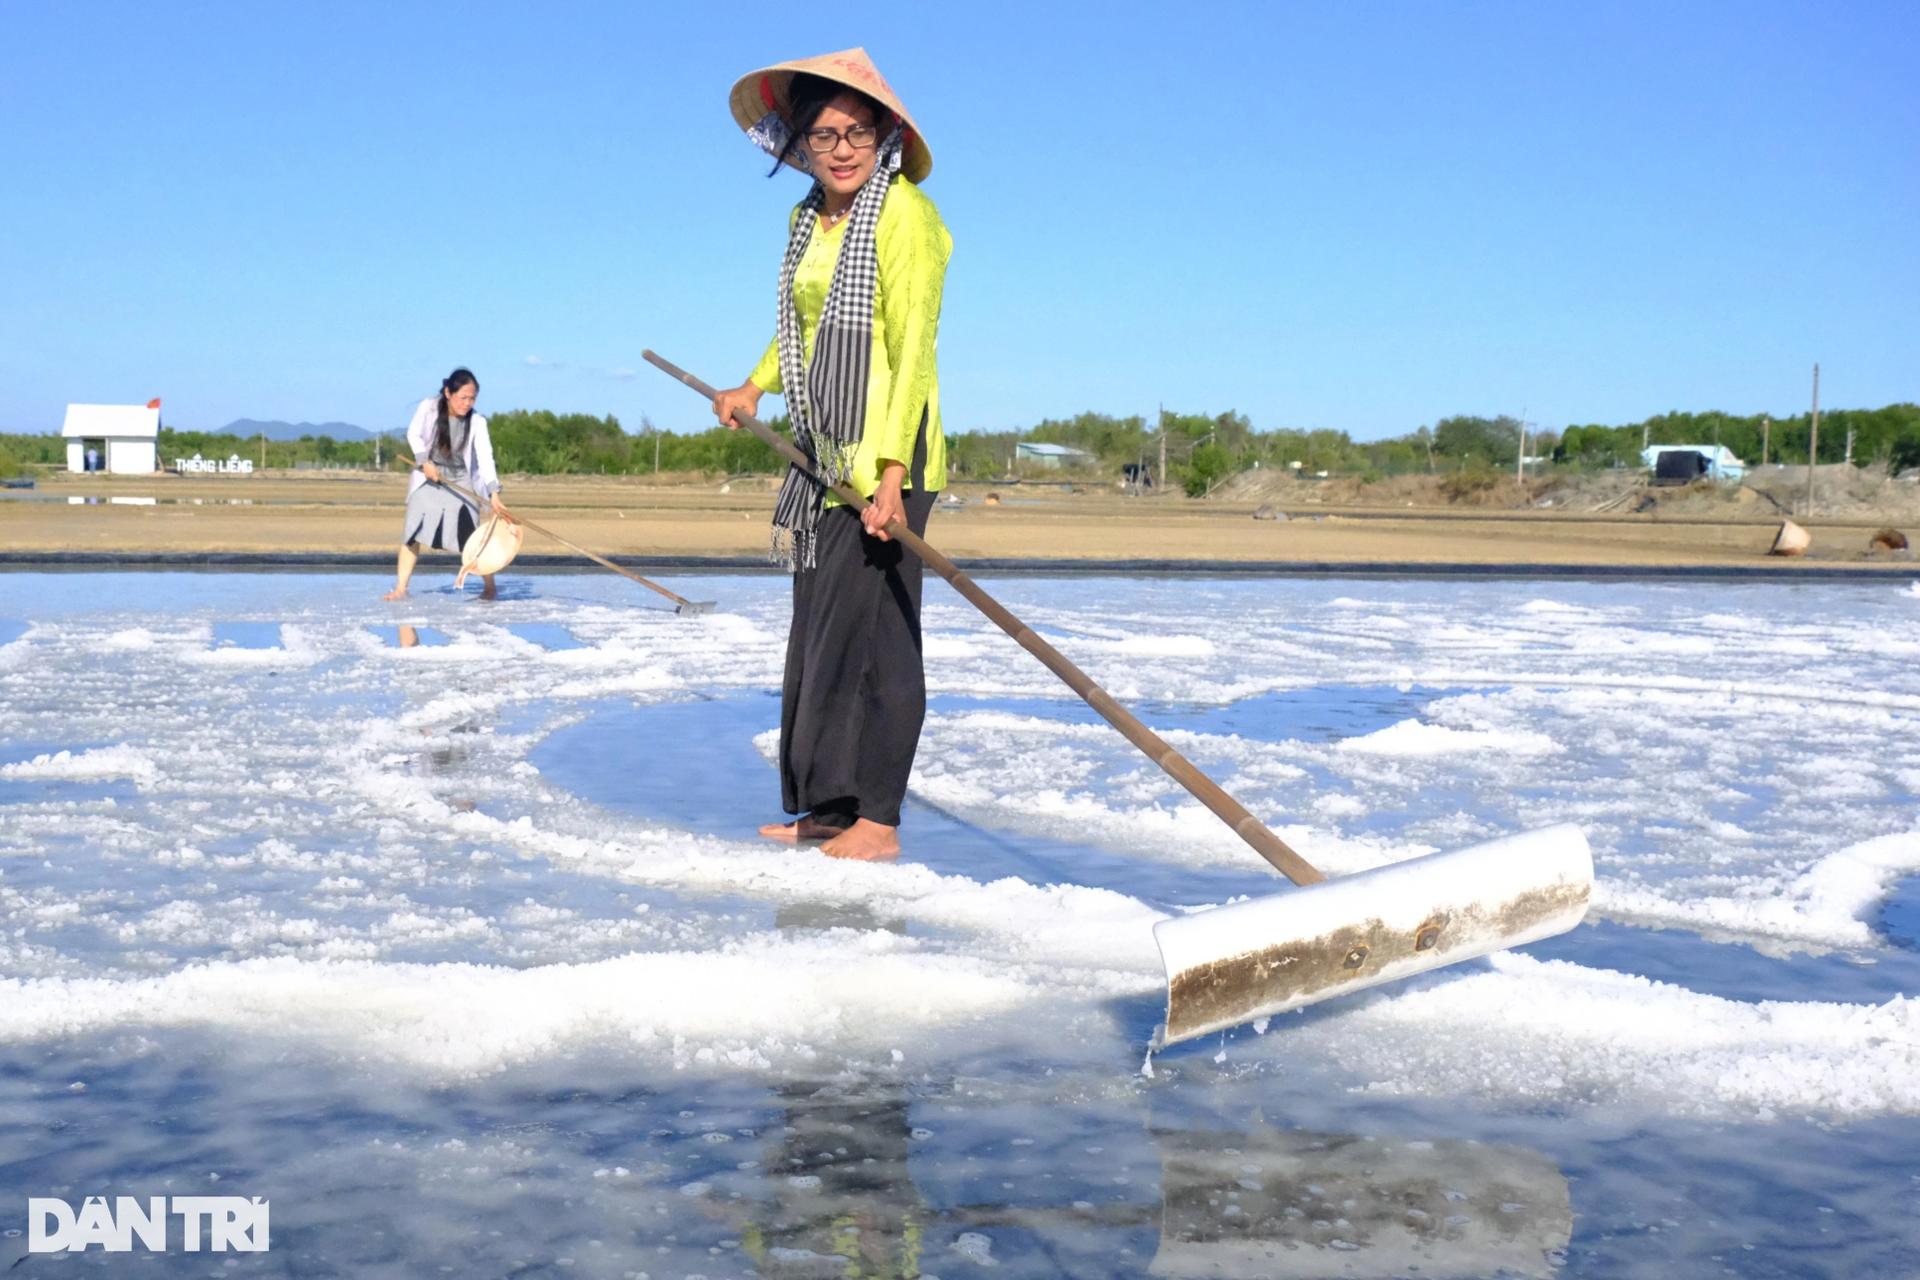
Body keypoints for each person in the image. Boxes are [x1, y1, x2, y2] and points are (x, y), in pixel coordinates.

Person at [709, 49, 950, 862]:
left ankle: (876, 817)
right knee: (820, 630)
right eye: (822, 135)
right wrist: (753, 385)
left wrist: (892, 474)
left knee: (880, 637)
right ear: (800, 147)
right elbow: (801, 330)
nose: (840, 149)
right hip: (823, 450)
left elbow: (913, 345)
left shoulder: (907, 215)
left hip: (891, 447)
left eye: (854, 132)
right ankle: (827, 804)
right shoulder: (807, 219)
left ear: (883, 134)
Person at [383, 368, 507, 600]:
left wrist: (494, 494)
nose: (467, 403)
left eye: (472, 398)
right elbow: (413, 434)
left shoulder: (477, 422)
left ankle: (489, 586)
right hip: (430, 476)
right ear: (449, 392)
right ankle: (401, 588)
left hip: (462, 479)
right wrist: (424, 462)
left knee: (472, 536)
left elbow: (485, 457)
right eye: (463, 397)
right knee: (412, 532)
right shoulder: (430, 407)